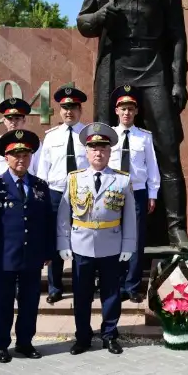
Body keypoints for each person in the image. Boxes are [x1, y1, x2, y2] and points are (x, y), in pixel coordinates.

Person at [76, 0, 188, 250]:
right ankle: (101, 220)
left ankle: (176, 228)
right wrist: (100, 16)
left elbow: (178, 35)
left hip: (153, 66)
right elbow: (84, 23)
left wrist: (178, 81)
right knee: (104, 147)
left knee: (168, 148)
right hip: (116, 66)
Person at [57, 122, 137, 356]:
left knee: (111, 294)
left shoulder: (122, 180)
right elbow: (64, 216)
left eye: (103, 149)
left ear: (110, 152)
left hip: (111, 244)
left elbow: (130, 217)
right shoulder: (74, 179)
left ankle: (110, 335)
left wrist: (128, 245)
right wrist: (63, 243)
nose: (98, 153)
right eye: (93, 148)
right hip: (81, 245)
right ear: (86, 152)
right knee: (81, 295)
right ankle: (82, 337)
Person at [0, 129, 56, 363]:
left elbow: (48, 220)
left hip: (32, 255)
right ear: (6, 157)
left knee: (29, 301)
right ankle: (0, 344)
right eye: (15, 155)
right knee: (1, 301)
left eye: (26, 155)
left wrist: (48, 251)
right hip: (3, 256)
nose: (21, 159)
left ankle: (25, 342)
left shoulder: (40, 186)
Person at [36, 86, 89, 304]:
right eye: (65, 108)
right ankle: (55, 287)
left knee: (81, 241)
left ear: (80, 110)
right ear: (60, 111)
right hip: (56, 193)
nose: (69, 112)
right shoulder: (50, 137)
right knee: (57, 241)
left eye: (73, 107)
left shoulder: (89, 134)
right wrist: (41, 196)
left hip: (83, 194)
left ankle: (80, 285)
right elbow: (43, 169)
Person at [108, 85, 160, 303]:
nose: (127, 112)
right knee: (114, 238)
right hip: (113, 192)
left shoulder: (144, 137)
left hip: (137, 192)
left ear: (136, 111)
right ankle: (117, 284)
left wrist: (153, 193)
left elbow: (152, 167)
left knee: (136, 240)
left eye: (130, 108)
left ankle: (132, 285)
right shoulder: (108, 136)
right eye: (123, 108)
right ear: (116, 111)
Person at [0, 98, 40, 178]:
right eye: (10, 119)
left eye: (17, 118)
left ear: (24, 120)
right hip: (2, 187)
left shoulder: (33, 142)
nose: (13, 122)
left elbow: (39, 169)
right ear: (4, 121)